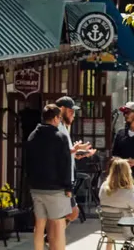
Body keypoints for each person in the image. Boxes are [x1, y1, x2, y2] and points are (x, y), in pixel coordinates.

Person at [26, 104, 73, 250]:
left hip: (36, 187)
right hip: (56, 188)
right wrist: (68, 187)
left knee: (39, 225)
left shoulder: (32, 136)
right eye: (59, 118)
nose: (60, 121)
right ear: (54, 118)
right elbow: (65, 164)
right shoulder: (60, 137)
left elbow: (28, 161)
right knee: (58, 225)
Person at [55, 96, 96, 223]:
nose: (73, 115)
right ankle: (52, 239)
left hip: (67, 179)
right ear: (61, 110)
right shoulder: (58, 129)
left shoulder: (63, 128)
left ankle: (52, 238)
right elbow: (59, 154)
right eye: (71, 111)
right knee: (71, 213)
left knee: (68, 214)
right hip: (62, 180)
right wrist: (75, 150)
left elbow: (66, 153)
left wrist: (78, 152)